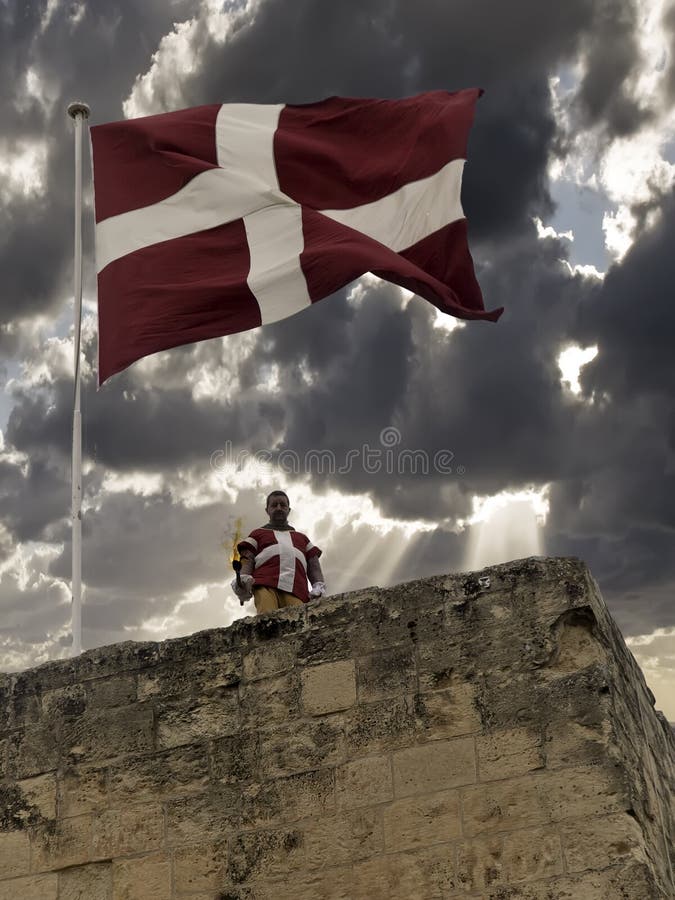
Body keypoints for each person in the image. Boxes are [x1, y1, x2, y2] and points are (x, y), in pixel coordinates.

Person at [231, 490, 326, 613]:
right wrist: (243, 579)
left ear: (289, 509)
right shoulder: (257, 534)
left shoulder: (302, 538)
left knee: (297, 622)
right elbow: (247, 559)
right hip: (265, 585)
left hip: (297, 590)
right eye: (274, 505)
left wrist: (318, 585)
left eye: (283, 505)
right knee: (267, 619)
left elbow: (314, 565)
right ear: (267, 510)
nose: (279, 508)